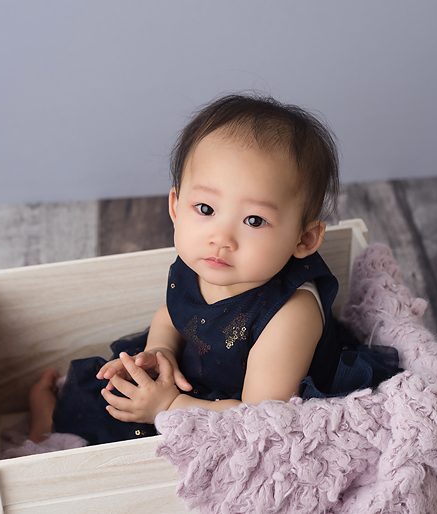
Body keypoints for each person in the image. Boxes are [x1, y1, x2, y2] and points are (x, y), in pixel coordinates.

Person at [27, 93, 397, 445]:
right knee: (110, 392)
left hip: (244, 411)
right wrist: (160, 353)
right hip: (198, 384)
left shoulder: (291, 314)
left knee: (149, 441)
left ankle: (62, 433)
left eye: (254, 220)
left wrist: (168, 406)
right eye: (205, 210)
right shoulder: (204, 262)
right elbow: (171, 315)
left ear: (304, 239)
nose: (221, 238)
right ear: (176, 206)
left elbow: (260, 418)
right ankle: (49, 421)